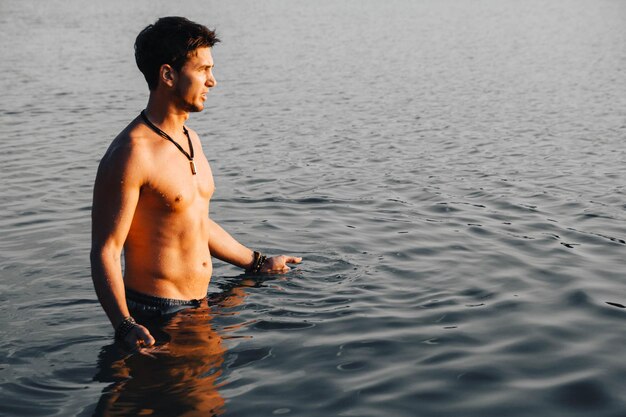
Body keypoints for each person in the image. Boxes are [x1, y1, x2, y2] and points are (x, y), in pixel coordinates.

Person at [90, 16, 301, 350]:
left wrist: (258, 261)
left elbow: (193, 220)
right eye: (203, 70)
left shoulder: (191, 139)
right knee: (196, 402)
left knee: (212, 400)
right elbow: (106, 251)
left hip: (199, 307)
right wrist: (125, 325)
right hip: (157, 316)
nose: (212, 81)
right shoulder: (131, 154)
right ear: (168, 75)